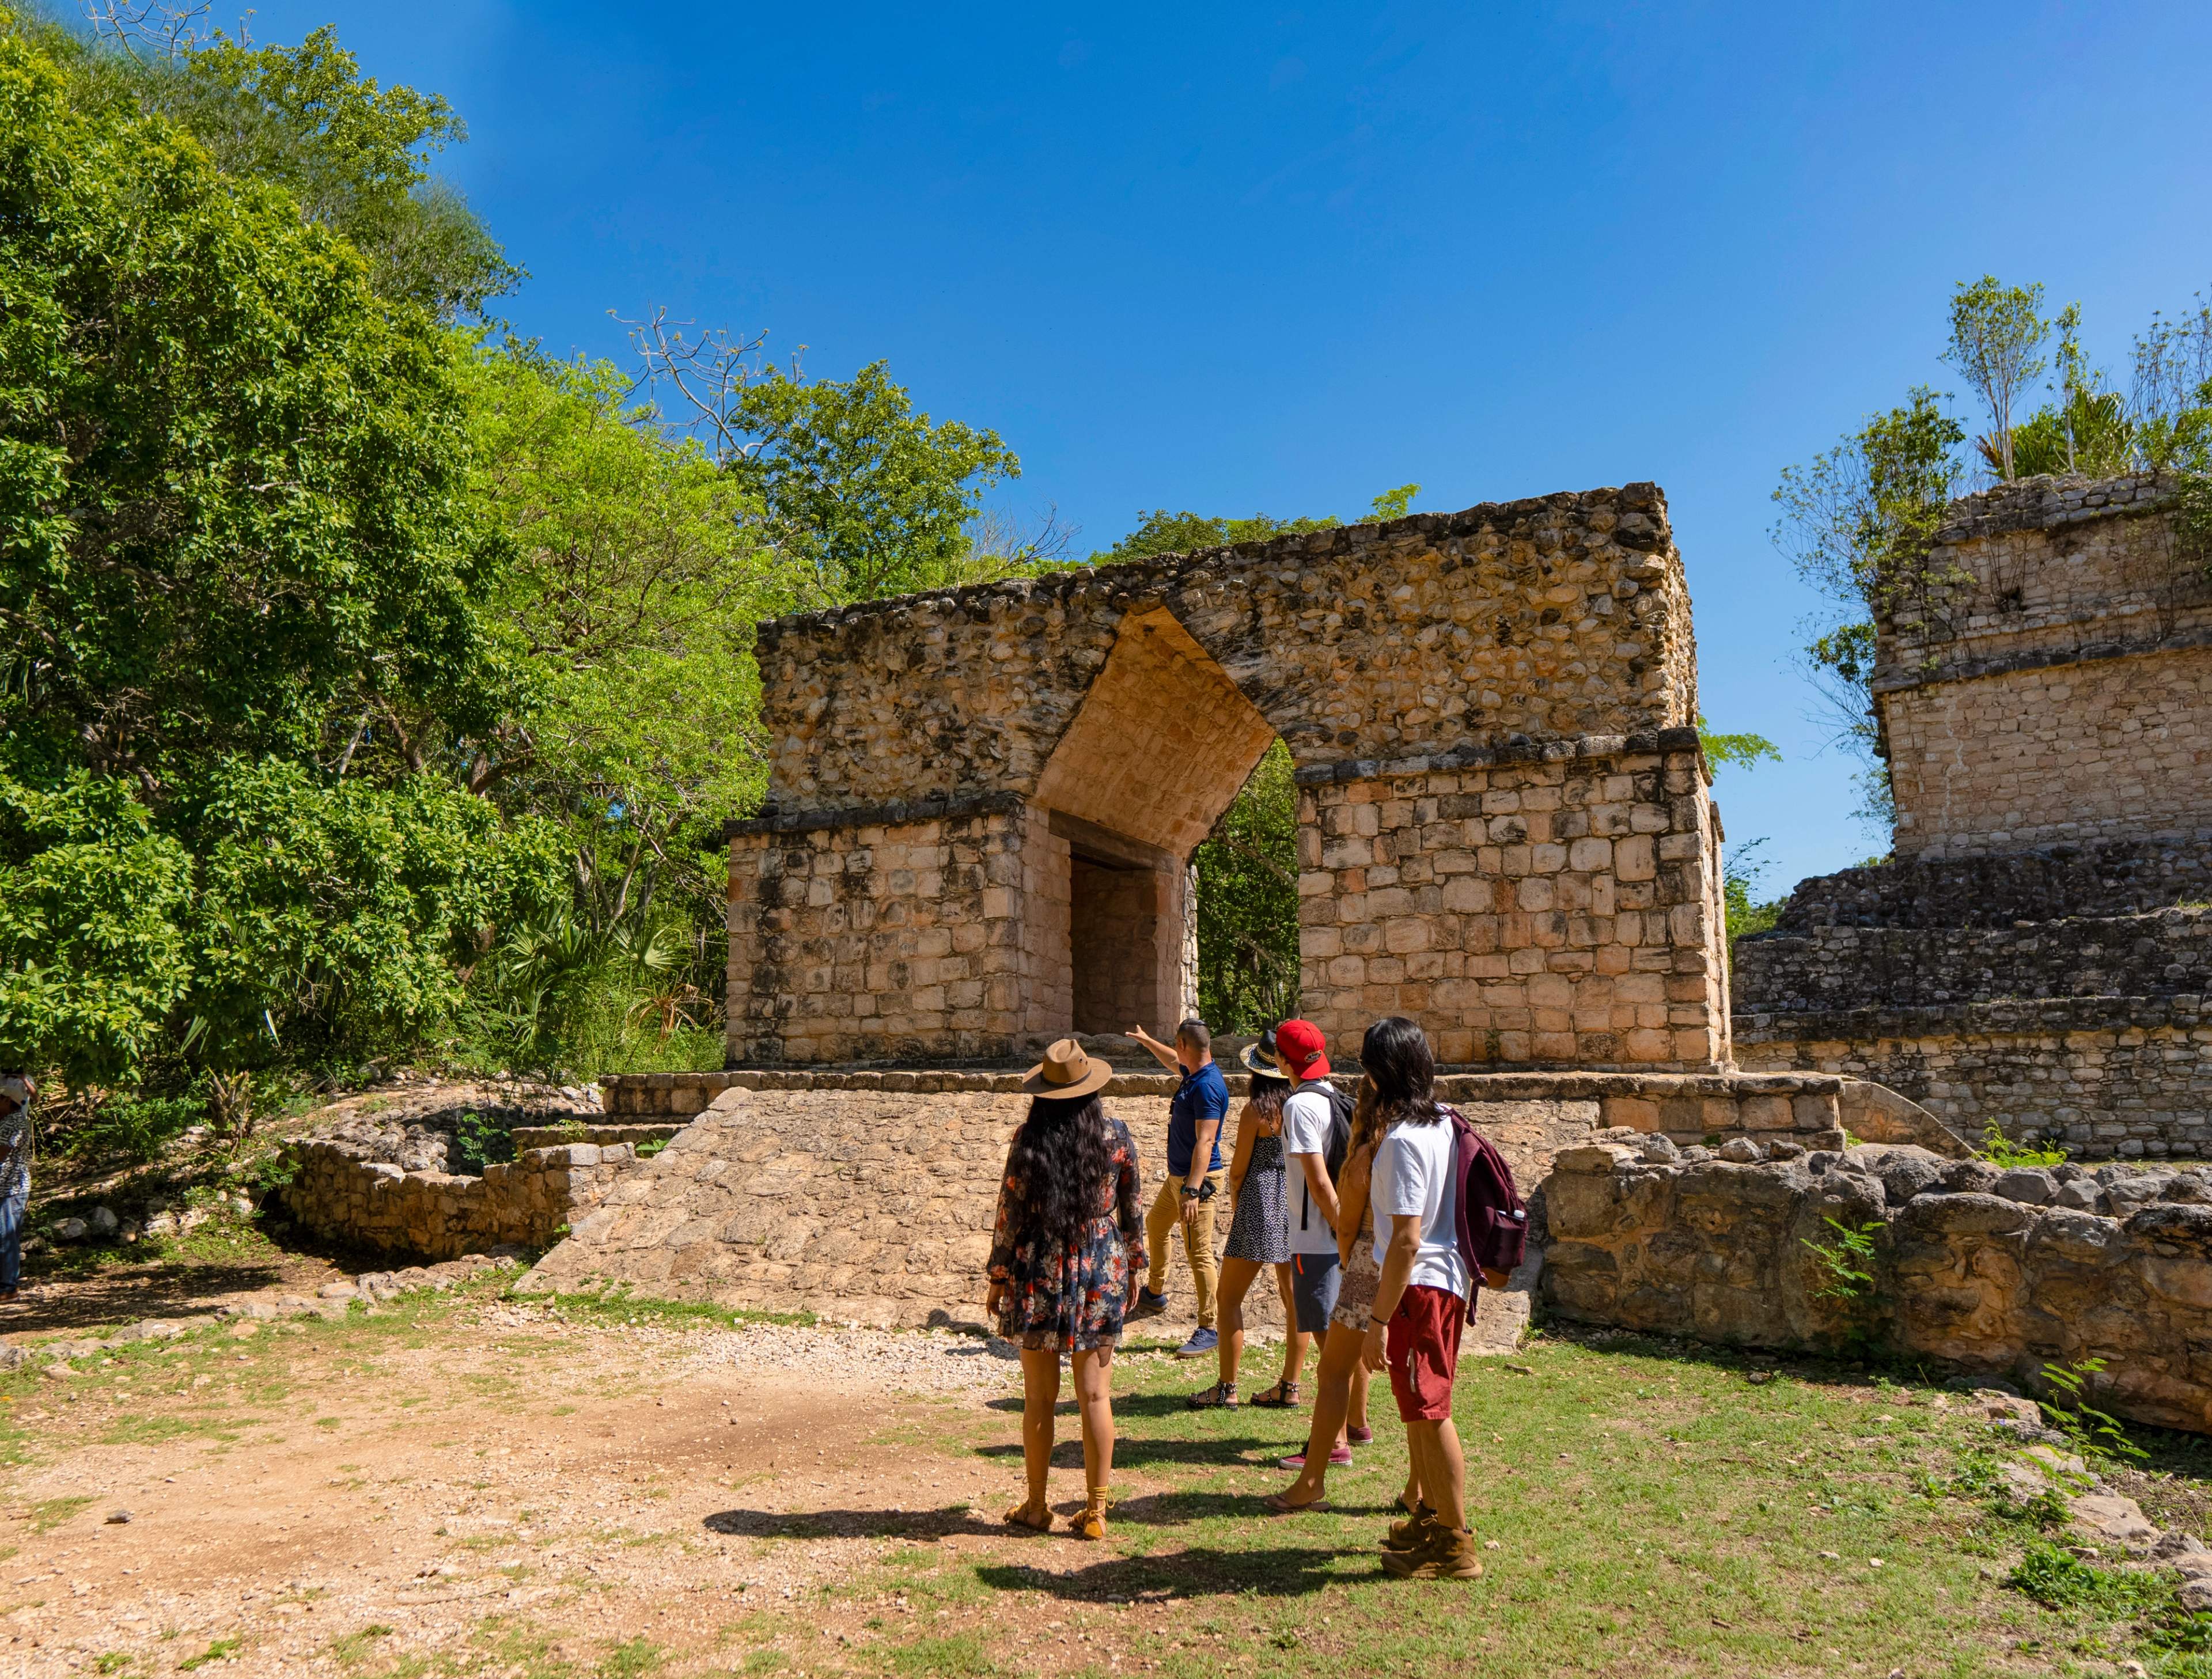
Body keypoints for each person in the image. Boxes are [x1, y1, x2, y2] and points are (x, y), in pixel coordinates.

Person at [986, 1039, 1145, 1541]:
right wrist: (1135, 1266)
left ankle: (1037, 1504)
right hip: (1101, 1265)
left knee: (1039, 1398)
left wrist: (998, 1274)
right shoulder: (1116, 1135)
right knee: (1096, 1395)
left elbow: (1009, 1214)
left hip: (1040, 1267)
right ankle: (1096, 1510)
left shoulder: (1029, 1139)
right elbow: (1132, 1207)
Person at [1263, 1049, 1414, 1516]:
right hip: (1380, 1256)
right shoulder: (1342, 1101)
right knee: (1373, 1360)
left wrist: (1340, 1241)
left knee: (1333, 1358)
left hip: (1334, 1245)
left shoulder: (1307, 1112)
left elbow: (1324, 1186)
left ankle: (1333, 1448)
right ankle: (1363, 1428)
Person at [1359, 1015, 1483, 1581]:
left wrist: (1378, 1317)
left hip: (1421, 1287)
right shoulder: (1443, 1123)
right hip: (1441, 1281)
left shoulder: (1407, 1140)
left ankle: (1456, 1542)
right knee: (1418, 1408)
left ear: (1379, 1072)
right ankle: (1434, 1517)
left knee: (1431, 1411)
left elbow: (1407, 1238)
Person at [1185, 1030, 1306, 1409]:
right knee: (1295, 1300)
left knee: (1229, 1297)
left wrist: (1236, 1199)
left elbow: (1238, 1169)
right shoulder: (1299, 1108)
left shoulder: (1255, 1112)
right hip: (1293, 1204)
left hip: (1257, 1202)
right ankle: (1290, 1385)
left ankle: (1227, 1387)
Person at [1272, 1019, 1370, 1467]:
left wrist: (1340, 1232)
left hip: (1316, 1239)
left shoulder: (1297, 1107)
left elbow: (1317, 1180)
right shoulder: (1333, 1095)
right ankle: (1357, 1423)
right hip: (1336, 1235)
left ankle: (1333, 1444)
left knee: (1330, 1345)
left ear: (1281, 1061)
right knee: (1346, 1334)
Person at [1126, 1018, 1229, 1358]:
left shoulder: (1207, 1086)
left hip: (1196, 1183)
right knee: (1156, 1226)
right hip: (1178, 1180)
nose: (1175, 1052)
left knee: (1199, 1252)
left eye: (1176, 1044)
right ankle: (1155, 1293)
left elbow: (1207, 1139)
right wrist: (1146, 1040)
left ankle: (1209, 1328)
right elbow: (1172, 1060)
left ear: (1186, 1045)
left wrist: (1193, 1190)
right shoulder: (1194, 1073)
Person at [0, 1072, 30, 1305]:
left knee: (7, 1237)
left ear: (7, 1101)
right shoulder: (11, 1121)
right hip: (9, 1188)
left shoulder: (13, 1123)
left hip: (11, 1189)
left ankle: (9, 1287)